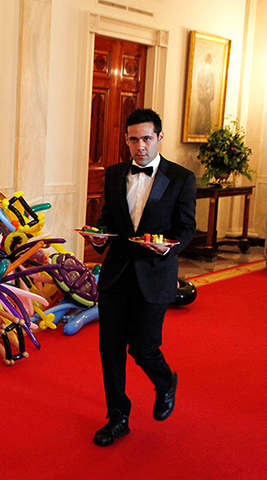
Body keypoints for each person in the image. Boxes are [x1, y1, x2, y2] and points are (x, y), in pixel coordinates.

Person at [85, 108, 196, 446]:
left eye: (146, 138)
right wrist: (97, 235)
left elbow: (187, 228)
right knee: (111, 348)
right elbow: (107, 219)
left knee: (144, 347)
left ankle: (165, 382)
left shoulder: (181, 178)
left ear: (159, 138)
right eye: (133, 139)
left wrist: (170, 249)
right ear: (127, 140)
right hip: (117, 273)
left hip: (155, 274)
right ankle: (117, 416)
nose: (140, 146)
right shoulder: (116, 173)